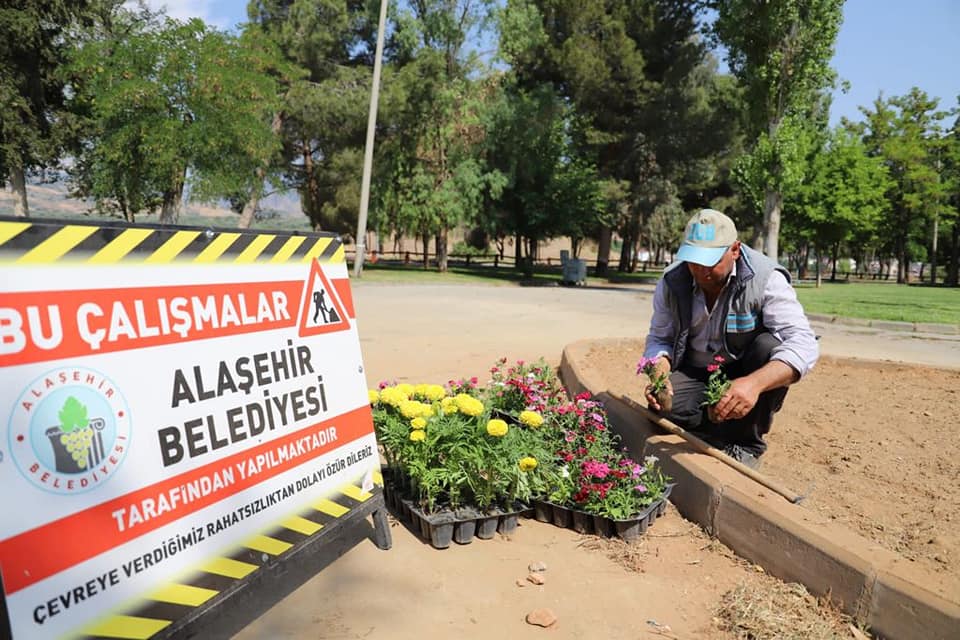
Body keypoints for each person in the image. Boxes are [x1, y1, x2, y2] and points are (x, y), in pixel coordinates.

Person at [642, 208, 819, 469]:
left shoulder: (765, 278)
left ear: (734, 250)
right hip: (696, 370)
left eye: (710, 260)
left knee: (769, 347)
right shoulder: (673, 280)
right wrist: (660, 373)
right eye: (693, 260)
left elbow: (804, 342)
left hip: (744, 369)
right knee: (662, 409)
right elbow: (660, 337)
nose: (700, 270)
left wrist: (753, 384)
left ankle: (747, 444)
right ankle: (715, 426)